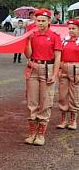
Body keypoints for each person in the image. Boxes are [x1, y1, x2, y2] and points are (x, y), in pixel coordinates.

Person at [24, 8, 62, 146]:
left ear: (48, 21)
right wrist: (27, 41)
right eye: (38, 20)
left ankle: (41, 134)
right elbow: (28, 55)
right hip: (33, 67)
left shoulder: (54, 36)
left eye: (43, 21)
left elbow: (58, 57)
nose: (40, 23)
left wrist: (55, 74)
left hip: (48, 68)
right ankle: (32, 133)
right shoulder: (32, 35)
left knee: (45, 102)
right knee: (32, 102)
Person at [57, 19, 78, 130]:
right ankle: (63, 119)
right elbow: (59, 54)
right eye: (69, 28)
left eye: (73, 28)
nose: (71, 30)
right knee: (62, 94)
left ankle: (73, 120)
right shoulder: (64, 40)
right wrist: (59, 68)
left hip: (76, 68)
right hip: (64, 67)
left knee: (74, 94)